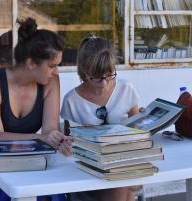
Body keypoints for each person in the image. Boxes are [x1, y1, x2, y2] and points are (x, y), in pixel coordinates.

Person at [0, 17, 72, 201]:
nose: (56, 71)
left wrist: (58, 139)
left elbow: (49, 129)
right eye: (52, 66)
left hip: (31, 160)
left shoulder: (51, 82)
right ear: (31, 63)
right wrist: (41, 138)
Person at [61, 35, 141, 201]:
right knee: (123, 184)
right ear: (84, 71)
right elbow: (70, 141)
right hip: (90, 170)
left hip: (125, 160)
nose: (104, 83)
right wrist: (68, 144)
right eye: (96, 77)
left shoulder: (126, 88)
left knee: (123, 179)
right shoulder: (72, 101)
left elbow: (139, 126)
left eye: (109, 75)